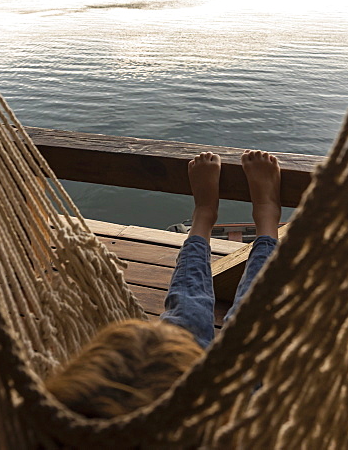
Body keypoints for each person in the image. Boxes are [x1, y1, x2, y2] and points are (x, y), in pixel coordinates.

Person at [43, 150, 282, 418]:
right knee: (249, 326)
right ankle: (266, 218)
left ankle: (203, 216)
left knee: (186, 317)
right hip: (225, 411)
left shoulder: (67, 425)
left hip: (163, 411)